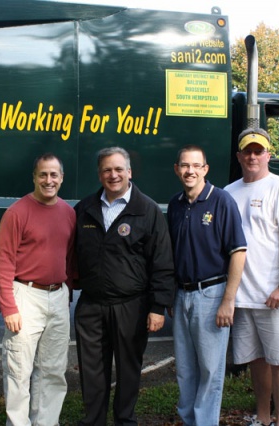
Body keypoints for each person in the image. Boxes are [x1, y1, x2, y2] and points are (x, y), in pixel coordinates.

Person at [74, 146, 175, 426]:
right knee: (92, 372)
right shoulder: (84, 209)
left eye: (119, 169)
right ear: (99, 174)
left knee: (129, 371)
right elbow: (71, 254)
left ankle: (124, 421)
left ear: (129, 172)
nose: (113, 175)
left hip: (132, 305)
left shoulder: (147, 210)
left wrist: (158, 307)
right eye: (107, 170)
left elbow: (162, 261)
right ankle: (93, 421)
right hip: (92, 305)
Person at [224, 128, 279, 426]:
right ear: (238, 156)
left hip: (275, 296)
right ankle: (262, 417)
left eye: (258, 151)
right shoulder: (228, 192)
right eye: (247, 151)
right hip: (243, 298)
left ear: (268, 155)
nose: (252, 156)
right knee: (257, 361)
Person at [168, 145, 247, 426]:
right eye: (184, 165)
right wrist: (171, 296)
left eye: (196, 166)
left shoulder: (222, 201)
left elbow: (238, 252)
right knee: (185, 369)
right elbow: (172, 254)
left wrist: (228, 300)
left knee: (210, 370)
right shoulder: (176, 204)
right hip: (182, 294)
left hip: (211, 294)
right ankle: (189, 421)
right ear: (177, 169)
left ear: (205, 169)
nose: (190, 171)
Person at [0, 153, 75, 426]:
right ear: (34, 177)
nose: (48, 180)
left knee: (53, 371)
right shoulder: (17, 213)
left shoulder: (68, 213)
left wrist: (66, 292)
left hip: (58, 296)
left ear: (61, 178)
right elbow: (3, 263)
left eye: (54, 175)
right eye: (43, 174)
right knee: (18, 371)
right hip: (25, 295)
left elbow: (70, 257)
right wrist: (9, 308)